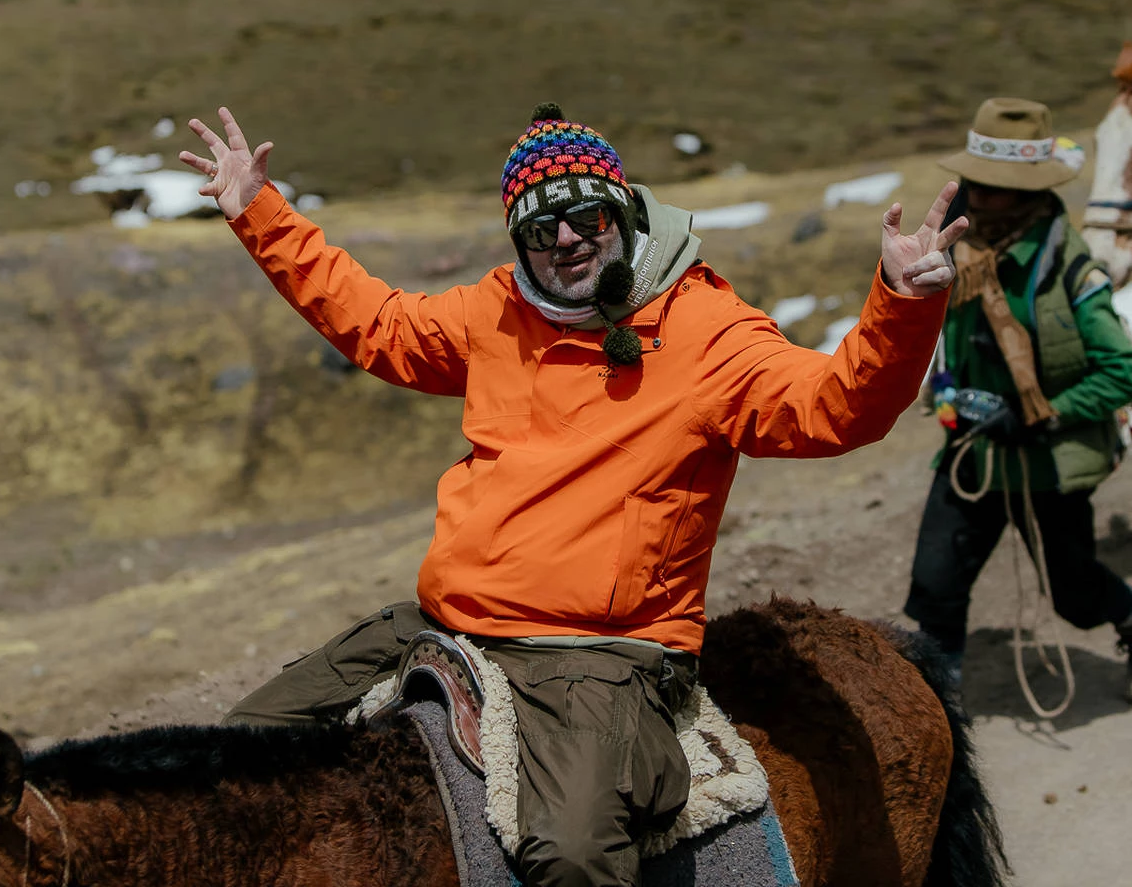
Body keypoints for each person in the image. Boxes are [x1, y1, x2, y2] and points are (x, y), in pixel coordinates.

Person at [180, 102, 966, 887]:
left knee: (574, 861)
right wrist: (257, 210)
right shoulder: (499, 310)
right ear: (518, 238)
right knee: (243, 749)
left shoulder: (704, 331)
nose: (566, 240)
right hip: (447, 622)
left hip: (597, 653)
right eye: (539, 227)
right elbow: (378, 324)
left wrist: (901, 303)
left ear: (618, 208)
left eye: (585, 214)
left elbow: (836, 407)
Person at [904, 99, 1132, 706]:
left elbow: (1122, 371)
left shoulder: (1071, 272)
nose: (977, 195)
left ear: (1027, 194)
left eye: (995, 188)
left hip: (1048, 456)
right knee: (937, 584)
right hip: (972, 449)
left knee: (1075, 592)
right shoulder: (958, 254)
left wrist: (1039, 412)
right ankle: (939, 716)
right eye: (975, 182)